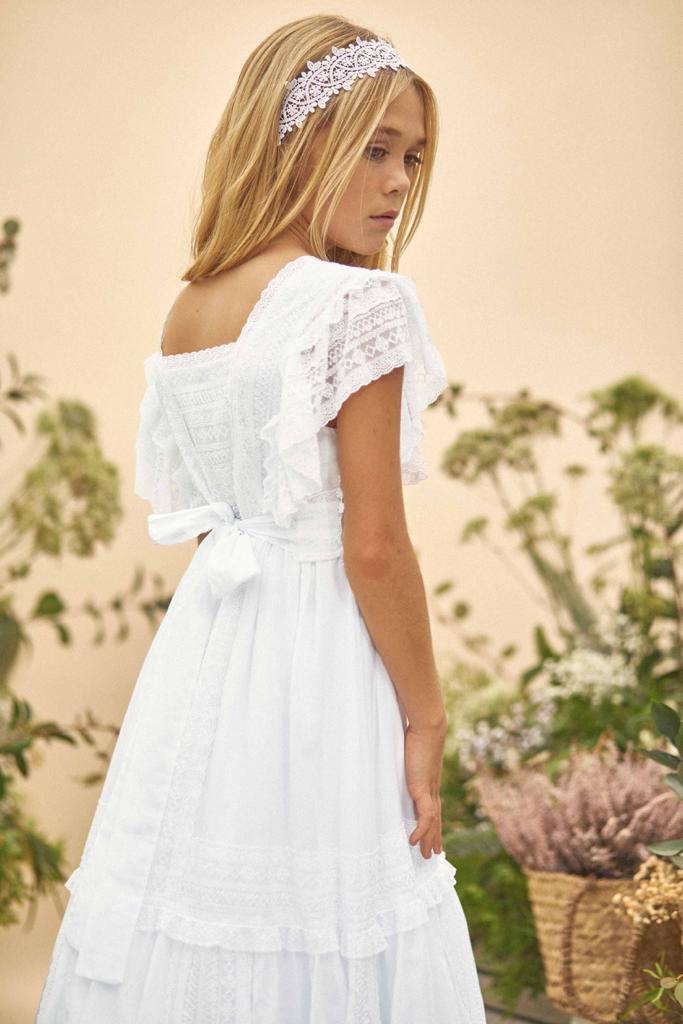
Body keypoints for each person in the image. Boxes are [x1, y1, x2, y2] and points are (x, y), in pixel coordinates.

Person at [35, 15, 487, 1023]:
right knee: (329, 907)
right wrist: (424, 716)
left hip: (212, 655)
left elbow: (215, 521)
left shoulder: (192, 307)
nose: (396, 182)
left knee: (201, 898)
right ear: (296, 139)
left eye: (411, 158)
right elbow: (374, 546)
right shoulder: (355, 305)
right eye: (372, 149)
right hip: (323, 653)